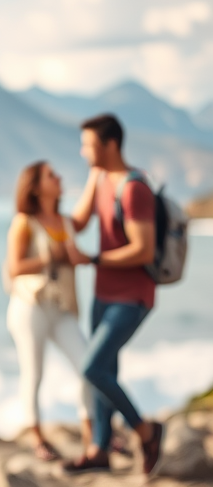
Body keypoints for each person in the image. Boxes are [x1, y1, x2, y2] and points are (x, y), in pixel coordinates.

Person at [64, 113, 163, 474]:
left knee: (92, 368)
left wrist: (93, 259)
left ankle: (146, 431)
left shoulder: (135, 188)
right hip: (103, 294)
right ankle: (100, 449)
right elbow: (77, 223)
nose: (83, 151)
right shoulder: (102, 178)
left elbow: (143, 249)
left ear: (111, 145)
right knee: (105, 369)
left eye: (88, 145)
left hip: (132, 297)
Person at [5, 161, 94, 462]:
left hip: (62, 306)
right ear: (35, 187)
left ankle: (91, 435)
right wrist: (50, 258)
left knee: (88, 367)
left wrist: (96, 175)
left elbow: (85, 216)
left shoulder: (65, 222)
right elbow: (14, 267)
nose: (58, 178)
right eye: (51, 176)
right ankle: (37, 439)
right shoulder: (25, 222)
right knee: (34, 373)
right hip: (31, 305)